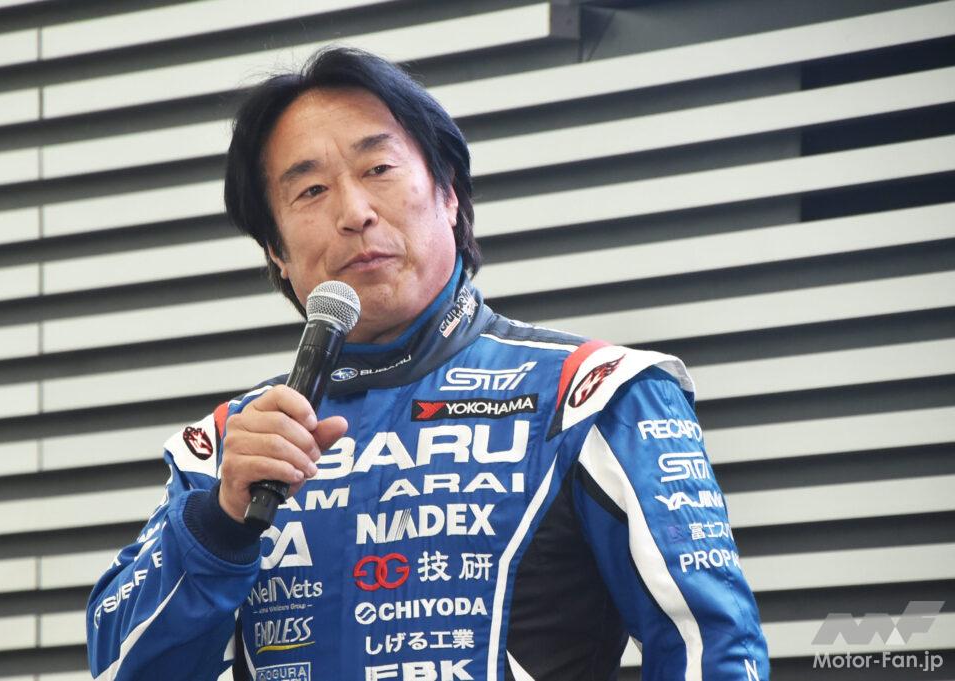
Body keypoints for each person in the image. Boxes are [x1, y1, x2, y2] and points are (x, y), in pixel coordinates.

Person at [86, 47, 770, 681]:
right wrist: (219, 523)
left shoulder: (594, 396)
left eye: (378, 169)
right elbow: (118, 667)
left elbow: (713, 651)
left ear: (449, 193)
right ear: (277, 253)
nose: (354, 212)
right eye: (311, 191)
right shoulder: (230, 448)